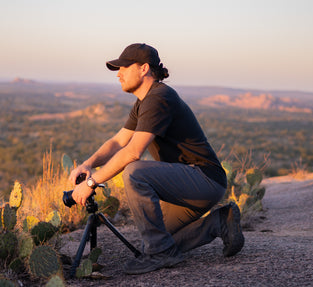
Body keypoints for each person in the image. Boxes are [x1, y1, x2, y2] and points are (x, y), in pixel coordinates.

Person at [69, 43, 244, 275]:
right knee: (155, 241)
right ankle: (218, 222)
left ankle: (160, 254)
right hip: (187, 185)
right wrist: (88, 164)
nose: (118, 74)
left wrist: (91, 184)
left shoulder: (159, 97)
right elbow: (118, 141)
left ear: (143, 68)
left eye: (123, 67)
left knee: (135, 172)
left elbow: (132, 152)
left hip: (203, 179)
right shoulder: (144, 102)